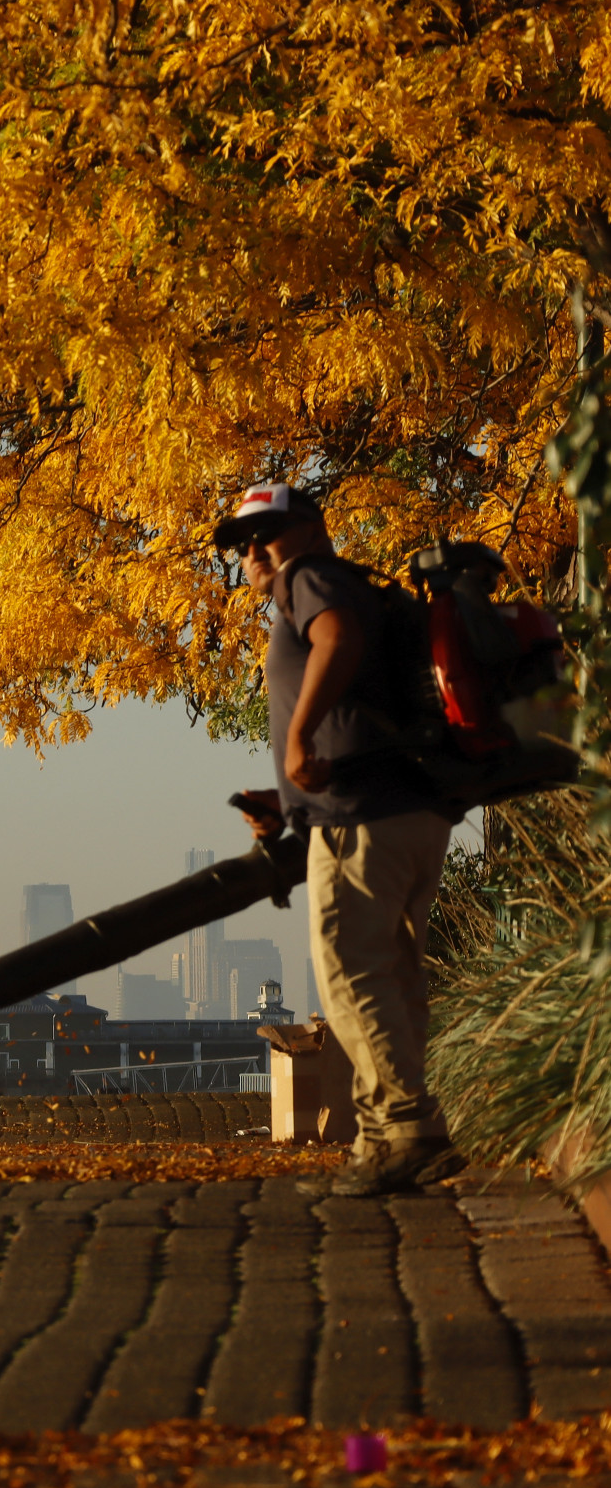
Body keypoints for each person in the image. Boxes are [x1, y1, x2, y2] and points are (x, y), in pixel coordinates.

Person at [214, 483, 465, 1197]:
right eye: (244, 543)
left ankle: (406, 1129)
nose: (256, 551)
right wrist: (288, 797)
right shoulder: (357, 586)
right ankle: (392, 1140)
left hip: (363, 816)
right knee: (392, 974)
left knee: (351, 973)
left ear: (315, 529)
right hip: (408, 811)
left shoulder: (313, 579)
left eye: (271, 532)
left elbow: (338, 639)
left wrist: (296, 738)